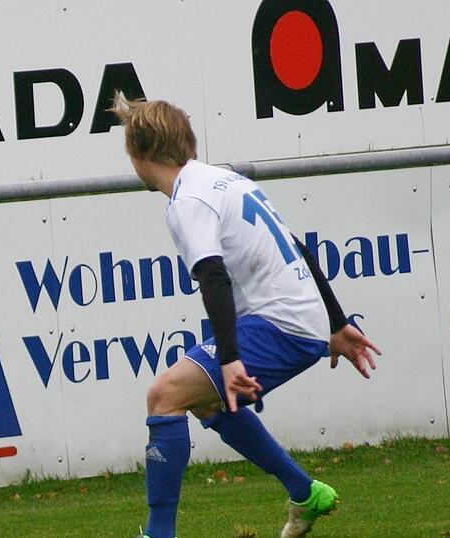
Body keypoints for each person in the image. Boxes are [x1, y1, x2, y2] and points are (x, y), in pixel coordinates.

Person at [110, 94, 382, 538]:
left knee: (164, 395)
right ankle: (304, 490)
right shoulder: (223, 180)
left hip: (279, 323)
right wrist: (335, 323)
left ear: (139, 154)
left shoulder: (188, 200)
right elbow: (300, 247)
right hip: (294, 319)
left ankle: (160, 534)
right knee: (206, 401)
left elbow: (212, 276)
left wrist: (231, 357)